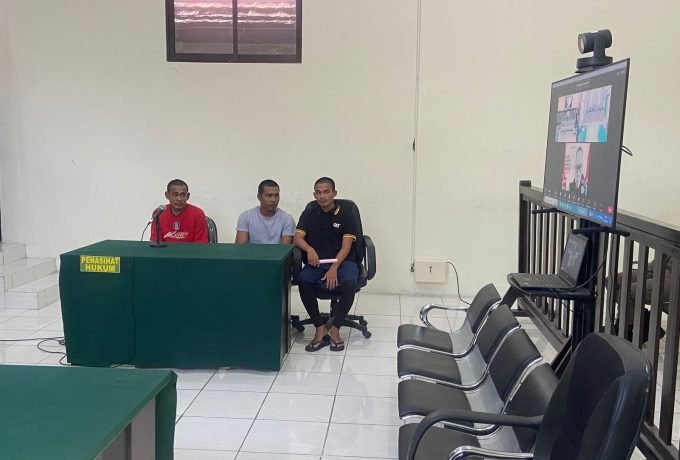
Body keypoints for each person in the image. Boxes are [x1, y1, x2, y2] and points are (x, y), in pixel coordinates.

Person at [295, 177, 358, 352]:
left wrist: (334, 268)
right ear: (314, 194)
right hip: (317, 262)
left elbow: (346, 246)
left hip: (342, 262)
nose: (322, 196)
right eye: (318, 192)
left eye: (326, 192)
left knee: (349, 284)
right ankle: (319, 327)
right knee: (303, 281)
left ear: (334, 193)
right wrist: (309, 249)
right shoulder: (309, 214)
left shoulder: (346, 215)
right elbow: (298, 238)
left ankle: (336, 328)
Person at [235, 179, 296, 244]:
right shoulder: (246, 217)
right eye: (269, 196)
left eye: (276, 195)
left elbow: (286, 248)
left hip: (279, 251)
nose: (273, 200)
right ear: (259, 197)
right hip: (251, 251)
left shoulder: (287, 218)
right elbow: (241, 247)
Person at [150, 179, 208, 243]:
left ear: (187, 196)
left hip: (192, 249)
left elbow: (201, 245)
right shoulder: (159, 213)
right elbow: (156, 243)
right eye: (175, 195)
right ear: (167, 195)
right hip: (166, 249)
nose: (179, 199)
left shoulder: (197, 214)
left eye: (182, 195)